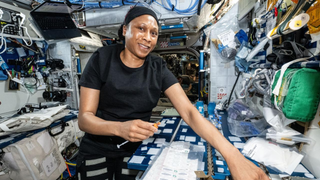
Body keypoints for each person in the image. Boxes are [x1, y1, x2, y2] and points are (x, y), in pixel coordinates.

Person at [77, 6, 269, 180]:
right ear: (125, 29)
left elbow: (190, 113)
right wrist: (119, 128)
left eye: (154, 33)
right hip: (97, 147)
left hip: (135, 149)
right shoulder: (102, 59)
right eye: (141, 29)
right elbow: (85, 119)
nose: (148, 37)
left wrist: (232, 155)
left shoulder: (157, 67)